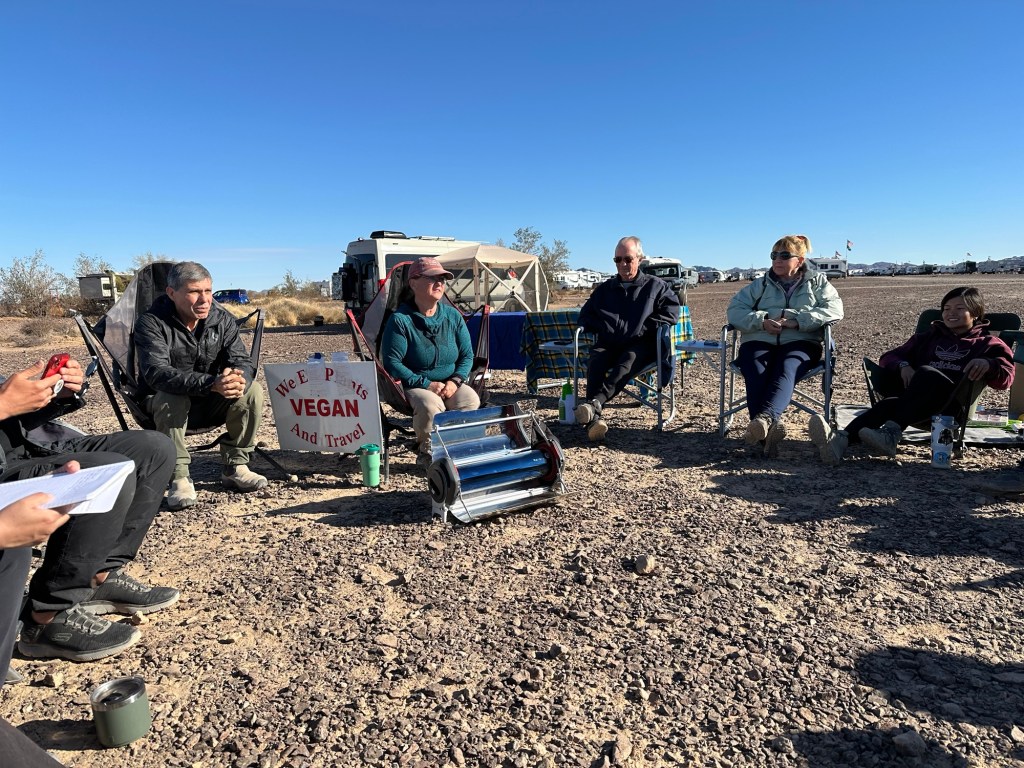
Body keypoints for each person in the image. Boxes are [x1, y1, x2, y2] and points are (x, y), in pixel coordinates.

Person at [1, 358, 178, 662]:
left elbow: (15, 421)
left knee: (153, 448)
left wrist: (53, 393)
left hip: (22, 449)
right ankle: (46, 618)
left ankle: (98, 576)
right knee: (104, 469)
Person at [811, 286, 1015, 465]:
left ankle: (890, 434)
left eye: (960, 309)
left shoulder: (988, 344)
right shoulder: (927, 338)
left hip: (952, 408)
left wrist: (989, 364)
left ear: (976, 313)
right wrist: (903, 365)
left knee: (926, 373)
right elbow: (888, 357)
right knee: (888, 404)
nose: (951, 313)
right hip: (915, 405)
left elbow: (1006, 379)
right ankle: (838, 442)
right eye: (946, 309)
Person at [134, 261, 267, 510]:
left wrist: (236, 378)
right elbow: (156, 373)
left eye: (208, 291)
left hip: (209, 399)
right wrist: (211, 384)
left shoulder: (222, 319)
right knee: (171, 395)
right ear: (172, 293)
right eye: (194, 292)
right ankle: (178, 476)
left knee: (252, 391)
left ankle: (235, 466)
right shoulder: (151, 323)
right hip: (164, 405)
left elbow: (241, 360)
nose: (204, 299)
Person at [726, 235, 843, 457]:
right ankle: (766, 436)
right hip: (760, 338)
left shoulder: (817, 283)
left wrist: (796, 321)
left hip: (801, 341)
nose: (777, 260)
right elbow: (735, 311)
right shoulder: (759, 285)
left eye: (784, 255)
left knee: (786, 366)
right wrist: (761, 321)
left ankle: (765, 420)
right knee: (755, 368)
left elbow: (834, 310)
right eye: (774, 255)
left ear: (799, 260)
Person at [573, 236, 681, 441]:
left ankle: (593, 405)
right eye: (617, 260)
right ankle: (595, 420)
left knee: (628, 361)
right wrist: (603, 326)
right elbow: (585, 316)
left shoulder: (656, 286)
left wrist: (643, 328)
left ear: (639, 259)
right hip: (610, 342)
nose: (622, 264)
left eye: (628, 259)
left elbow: (671, 313)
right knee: (596, 361)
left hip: (641, 343)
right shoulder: (605, 290)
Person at [380, 257, 480, 467]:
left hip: (450, 382)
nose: (440, 283)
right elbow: (392, 363)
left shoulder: (452, 316)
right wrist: (426, 384)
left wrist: (455, 381)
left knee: (470, 399)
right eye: (433, 278)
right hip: (414, 384)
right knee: (429, 403)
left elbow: (467, 356)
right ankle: (428, 452)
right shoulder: (401, 320)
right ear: (413, 283)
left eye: (443, 279)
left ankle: (455, 449)